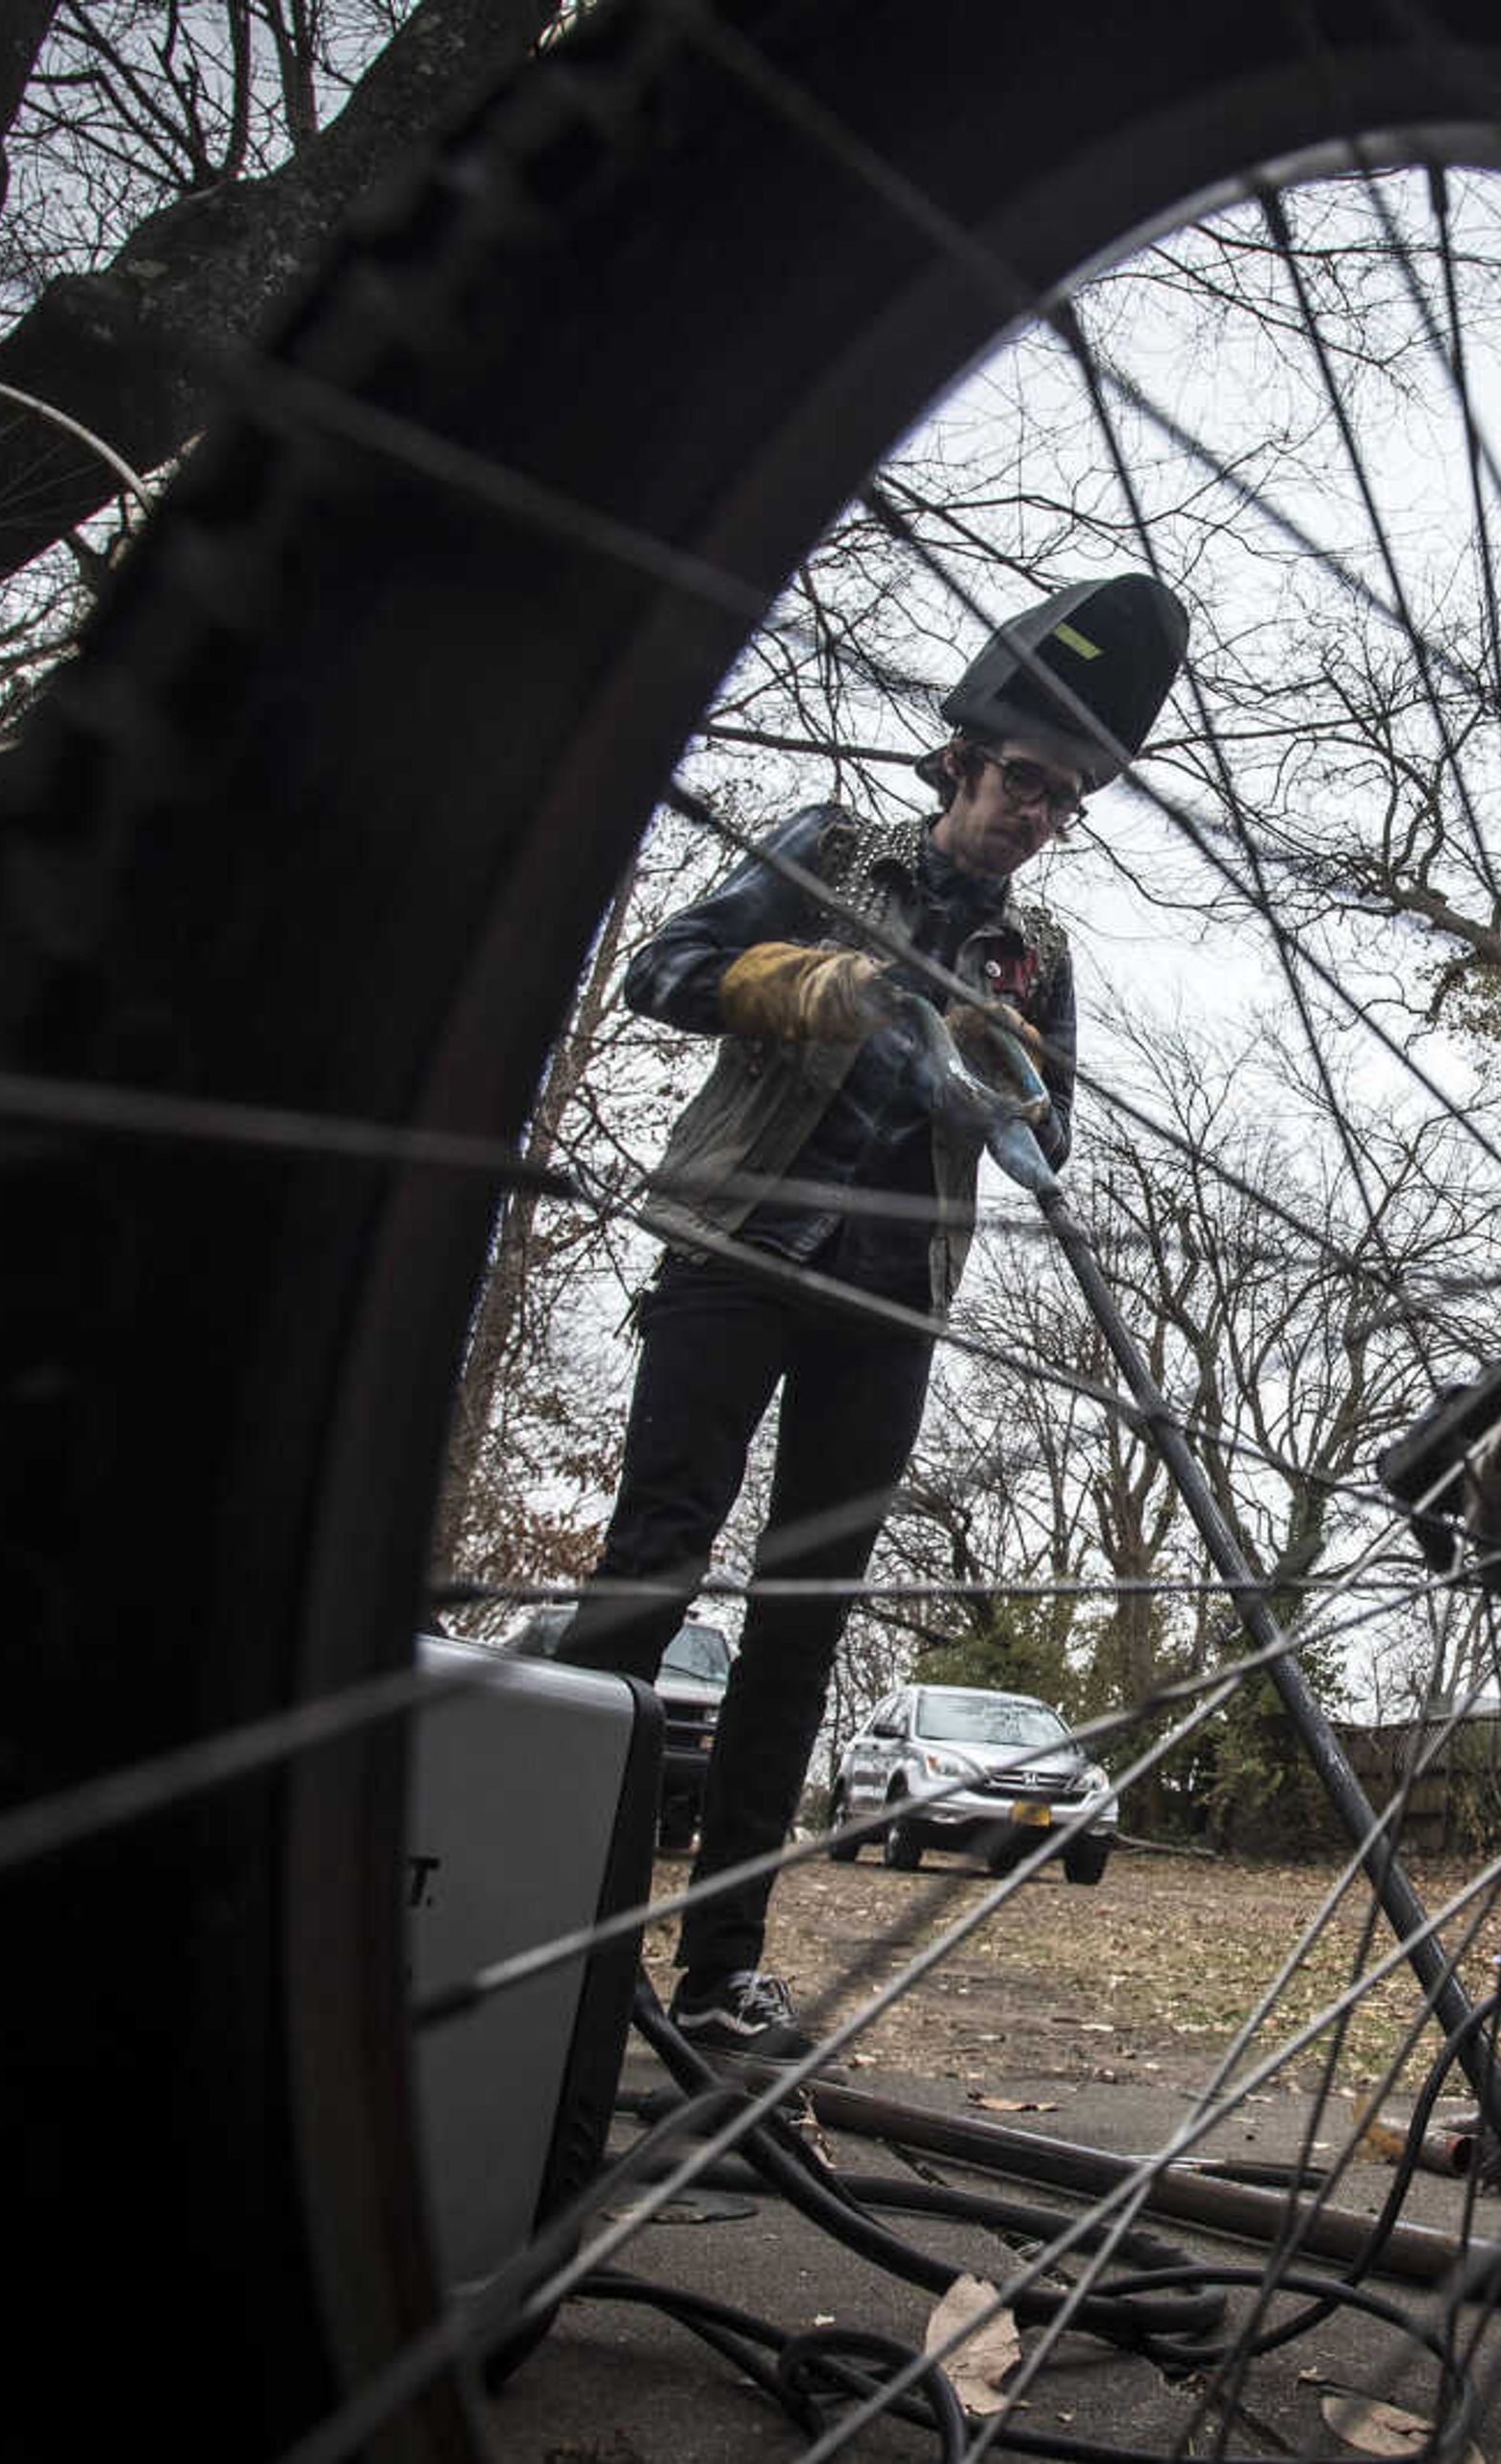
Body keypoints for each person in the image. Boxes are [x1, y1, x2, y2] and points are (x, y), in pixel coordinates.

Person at [551, 573, 1190, 2061]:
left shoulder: (1038, 959)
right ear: (961, 761)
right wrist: (819, 984)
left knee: (803, 1620)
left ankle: (717, 1971)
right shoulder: (834, 851)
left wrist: (1002, 1080)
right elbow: (666, 971)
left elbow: (1052, 1141)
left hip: (890, 1303)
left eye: (1068, 800)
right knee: (653, 1563)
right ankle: (544, 1899)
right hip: (737, 1249)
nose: (1038, 815)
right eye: (1026, 782)